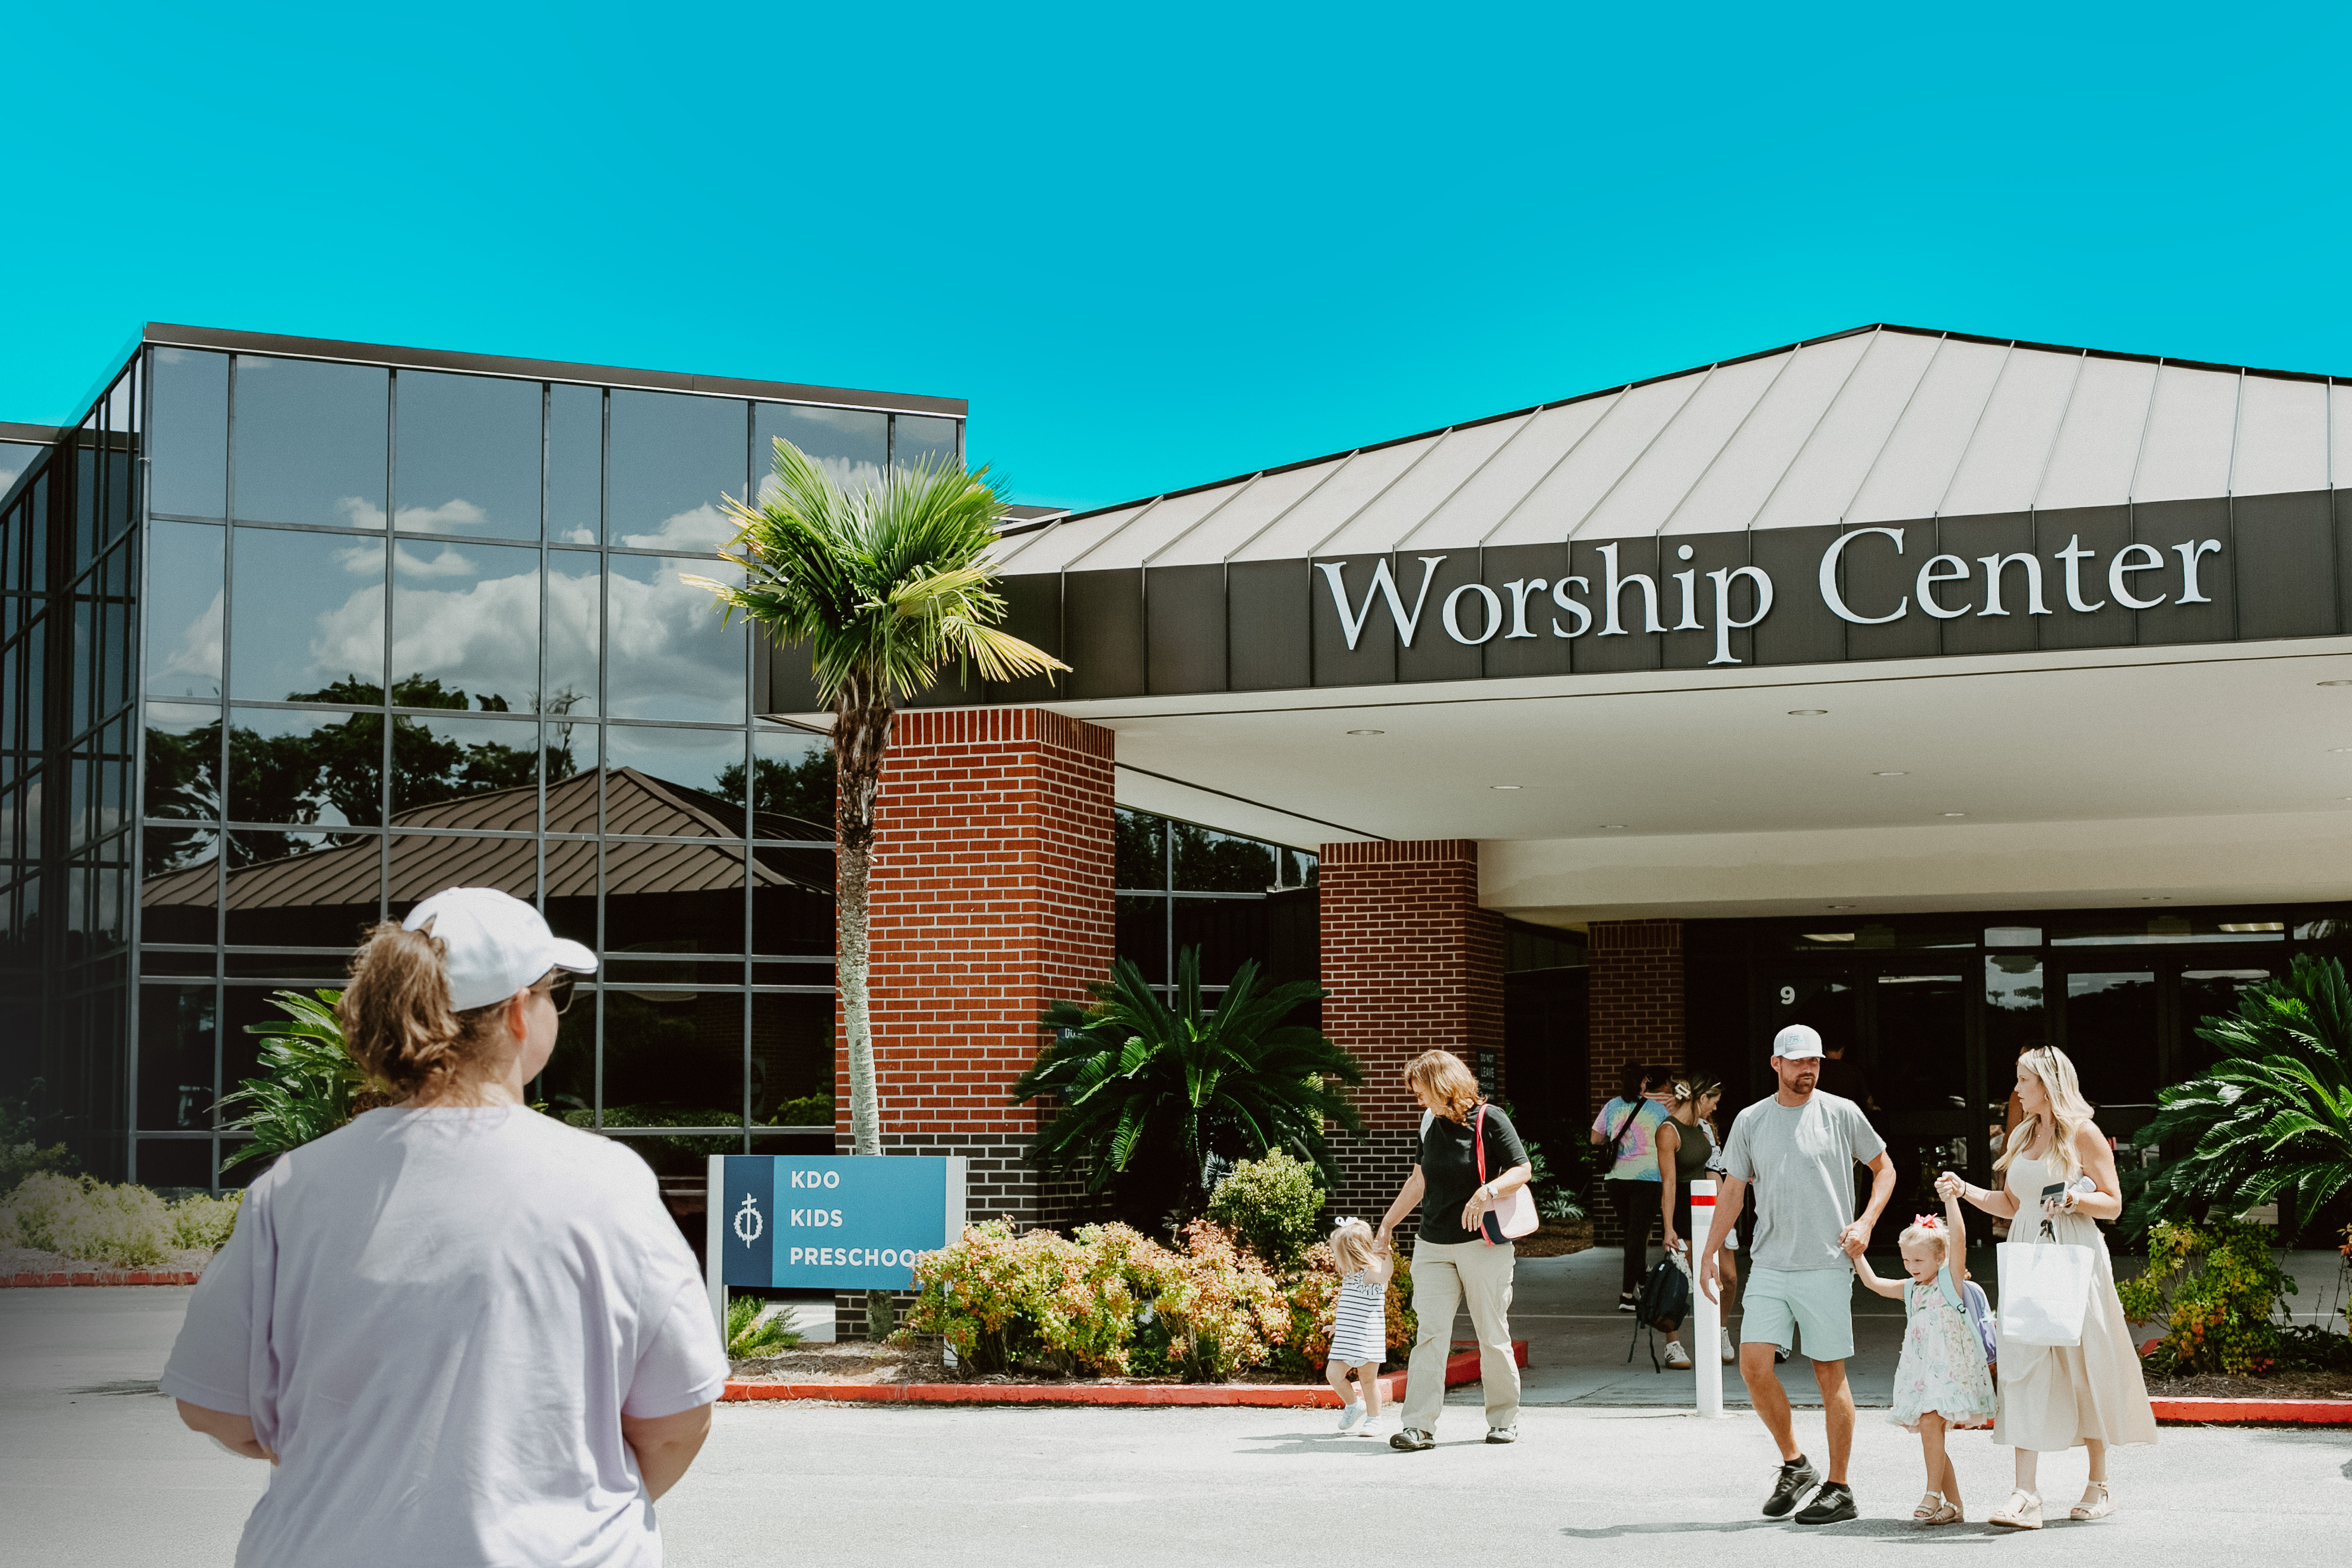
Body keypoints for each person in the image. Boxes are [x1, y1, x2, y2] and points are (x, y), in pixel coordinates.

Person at [160, 888, 728, 1566]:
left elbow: (214, 1407)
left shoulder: (291, 1189)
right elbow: (675, 1422)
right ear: (521, 1011)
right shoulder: (608, 1184)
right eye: (556, 994)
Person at [1940, 1045, 2155, 1529]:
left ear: (2050, 1084)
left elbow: (2114, 1203)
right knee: (2023, 1365)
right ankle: (2026, 1493)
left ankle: (2099, 1484)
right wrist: (1965, 1190)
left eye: (2025, 1080)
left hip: (2074, 1254)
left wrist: (2078, 1198)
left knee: (2086, 1364)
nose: (2016, 1088)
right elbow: (2015, 1204)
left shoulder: (2083, 1132)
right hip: (2029, 1253)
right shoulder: (2022, 1133)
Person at [1700, 1023, 1896, 1526]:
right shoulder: (1751, 1120)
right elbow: (1733, 1192)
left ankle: (1840, 1487)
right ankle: (1796, 1464)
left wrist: (1867, 1222)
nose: (1807, 1070)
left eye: (1813, 1062)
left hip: (1827, 1264)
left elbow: (1885, 1169)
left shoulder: (1842, 1113)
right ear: (1776, 1064)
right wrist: (1708, 1254)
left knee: (1828, 1373)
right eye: (1798, 1062)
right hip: (1769, 1263)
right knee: (1754, 1367)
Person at [1377, 1048, 1534, 1451]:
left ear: (1442, 1086)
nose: (1418, 1100)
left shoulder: (1489, 1119)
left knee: (1492, 1334)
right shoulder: (1429, 1122)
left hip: (1482, 1245)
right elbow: (1419, 1181)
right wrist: (1388, 1224)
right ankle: (1419, 1426)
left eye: (1421, 1091)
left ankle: (1503, 1419)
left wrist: (1488, 1190)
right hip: (1433, 1246)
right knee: (1430, 1335)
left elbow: (1522, 1169)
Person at [1852, 1189, 1996, 1525]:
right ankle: (1955, 1505)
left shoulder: (1951, 1280)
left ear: (1940, 1258)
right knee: (1932, 1431)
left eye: (1918, 1261)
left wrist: (1951, 1200)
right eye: (1906, 1261)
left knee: (1931, 1424)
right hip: (1922, 1372)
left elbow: (1958, 1237)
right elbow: (1873, 1283)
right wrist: (1857, 1253)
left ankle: (1933, 1492)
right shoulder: (1912, 1289)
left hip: (1951, 1371)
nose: (1911, 1267)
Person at [1655, 1076, 1737, 1368]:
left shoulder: (1700, 1129)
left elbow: (1712, 1167)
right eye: (1713, 1102)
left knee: (1728, 1277)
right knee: (1679, 1283)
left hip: (1712, 1211)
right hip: (1684, 1215)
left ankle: (1721, 1331)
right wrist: (1669, 1228)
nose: (1715, 1108)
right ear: (1701, 1099)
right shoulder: (1668, 1131)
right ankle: (1672, 1345)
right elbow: (1669, 1182)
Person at [1590, 1063, 1671, 1313]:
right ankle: (1627, 1295)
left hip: (1616, 1179)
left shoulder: (1612, 1106)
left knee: (1633, 1235)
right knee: (1637, 1236)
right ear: (1644, 1082)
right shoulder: (1658, 1110)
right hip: (1648, 1178)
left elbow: (1595, 1139)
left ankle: (1644, 1282)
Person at [1323, 1217, 1395, 1436]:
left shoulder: (1369, 1275)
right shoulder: (1350, 1277)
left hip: (1366, 1339)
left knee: (1368, 1380)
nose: (1336, 1260)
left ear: (1351, 1254)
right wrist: (1337, 1325)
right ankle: (1354, 1405)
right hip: (1346, 1337)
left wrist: (1386, 1256)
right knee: (1334, 1375)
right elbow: (1349, 1306)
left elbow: (1385, 1275)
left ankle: (1374, 1419)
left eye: (1338, 1255)